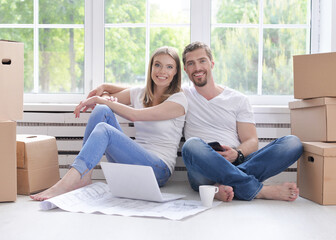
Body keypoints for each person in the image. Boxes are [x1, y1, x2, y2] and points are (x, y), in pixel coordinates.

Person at [31, 46, 188, 201]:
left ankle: (66, 183)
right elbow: (110, 100)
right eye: (157, 65)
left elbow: (135, 115)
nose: (162, 71)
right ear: (151, 67)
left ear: (175, 72)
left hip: (158, 171)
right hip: (130, 165)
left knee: (104, 127)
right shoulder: (141, 93)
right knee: (102, 110)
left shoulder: (178, 100)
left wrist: (100, 98)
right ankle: (84, 175)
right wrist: (104, 90)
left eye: (169, 67)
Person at [181, 41, 303, 202]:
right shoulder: (182, 95)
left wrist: (236, 154)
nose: (197, 68)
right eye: (191, 63)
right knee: (191, 145)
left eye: (202, 61)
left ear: (211, 63)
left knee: (292, 143)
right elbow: (148, 90)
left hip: (237, 162)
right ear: (185, 69)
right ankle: (258, 191)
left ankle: (221, 186)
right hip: (203, 170)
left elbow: (251, 141)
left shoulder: (238, 99)